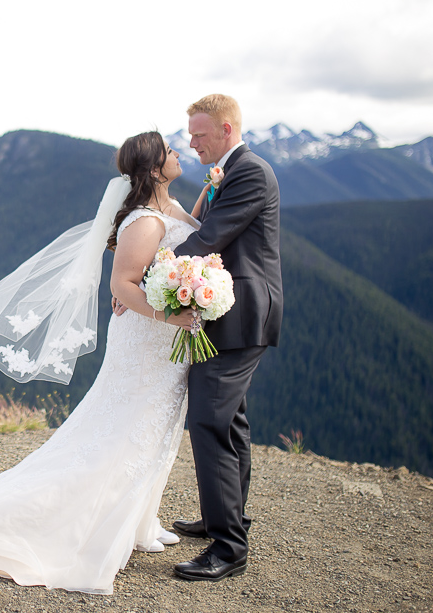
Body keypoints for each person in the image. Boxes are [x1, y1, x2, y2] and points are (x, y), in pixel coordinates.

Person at [0, 131, 200, 595]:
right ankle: (73, 523)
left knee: (153, 430)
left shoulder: (171, 208)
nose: (177, 154)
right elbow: (122, 286)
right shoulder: (145, 222)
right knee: (126, 429)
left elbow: (193, 236)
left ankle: (137, 521)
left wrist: (210, 193)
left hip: (164, 340)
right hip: (148, 340)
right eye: (169, 151)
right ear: (153, 168)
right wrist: (177, 314)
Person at [169, 94, 283, 582]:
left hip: (242, 315)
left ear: (227, 130)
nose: (191, 143)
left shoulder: (249, 172)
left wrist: (142, 272)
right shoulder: (230, 169)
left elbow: (208, 238)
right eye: (190, 135)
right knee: (229, 420)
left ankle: (229, 547)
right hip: (227, 313)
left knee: (209, 420)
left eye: (199, 134)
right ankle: (227, 520)